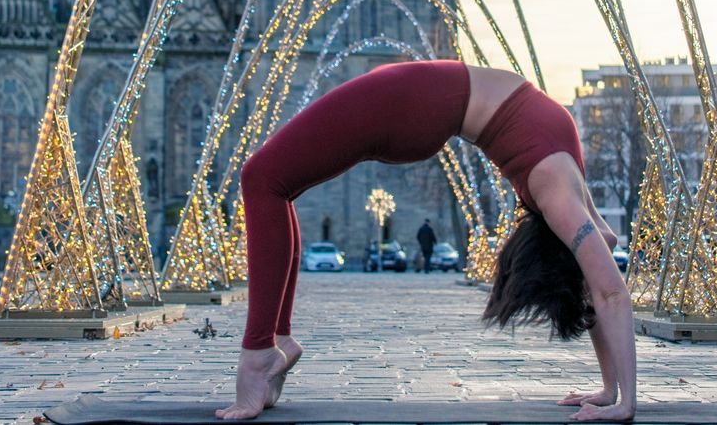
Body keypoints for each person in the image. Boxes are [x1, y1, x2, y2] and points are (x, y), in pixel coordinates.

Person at [216, 60, 635, 422]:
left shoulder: (558, 192)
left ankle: (258, 352)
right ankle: (277, 341)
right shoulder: (579, 210)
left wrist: (625, 403)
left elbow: (608, 293)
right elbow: (599, 287)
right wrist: (611, 391)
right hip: (423, 100)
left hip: (416, 101)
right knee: (273, 182)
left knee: (262, 178)